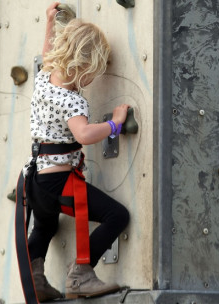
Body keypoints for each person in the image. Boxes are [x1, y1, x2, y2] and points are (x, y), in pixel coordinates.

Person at [22, 2, 130, 301]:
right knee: (117, 215)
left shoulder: (45, 79)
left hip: (36, 180)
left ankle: (34, 276)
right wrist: (114, 124)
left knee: (45, 223)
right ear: (83, 66)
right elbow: (83, 133)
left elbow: (48, 52)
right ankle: (81, 274)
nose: (93, 79)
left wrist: (49, 22)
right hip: (59, 183)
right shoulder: (73, 101)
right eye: (93, 72)